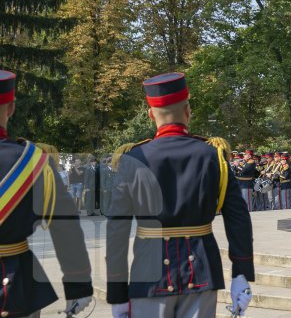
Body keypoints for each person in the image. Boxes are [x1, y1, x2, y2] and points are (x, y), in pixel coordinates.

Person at [106, 72, 254, 318]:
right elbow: (238, 218)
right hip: (202, 271)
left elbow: (116, 230)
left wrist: (117, 292)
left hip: (147, 275)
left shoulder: (132, 160)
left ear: (151, 114)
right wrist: (241, 273)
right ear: (188, 110)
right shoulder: (212, 156)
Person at [0, 70, 93, 317]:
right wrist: (77, 284)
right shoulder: (34, 162)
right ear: (11, 108)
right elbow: (65, 227)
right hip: (16, 283)